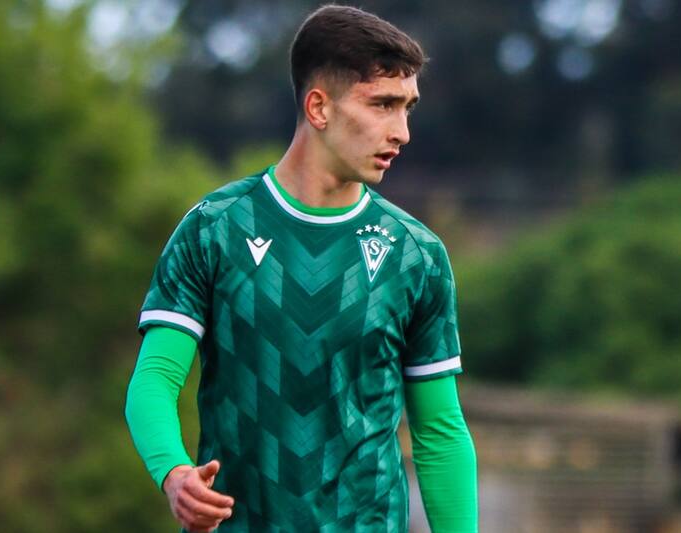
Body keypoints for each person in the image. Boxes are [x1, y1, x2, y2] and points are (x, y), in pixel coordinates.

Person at [125, 5, 478, 532]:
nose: (401, 131)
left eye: (408, 107)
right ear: (319, 108)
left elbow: (440, 432)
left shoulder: (416, 255)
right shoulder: (214, 229)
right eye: (382, 104)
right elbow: (155, 378)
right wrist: (174, 473)